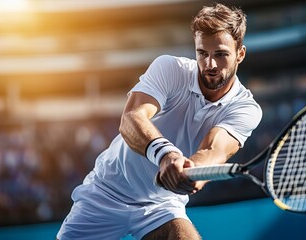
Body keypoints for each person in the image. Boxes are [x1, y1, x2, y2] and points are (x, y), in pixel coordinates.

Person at [56, 3, 262, 240]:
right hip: (106, 191)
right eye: (202, 53)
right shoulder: (169, 68)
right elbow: (132, 118)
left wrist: (192, 171)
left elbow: (213, 149)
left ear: (240, 54)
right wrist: (167, 156)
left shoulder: (247, 109)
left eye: (221, 54)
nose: (210, 65)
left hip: (162, 205)